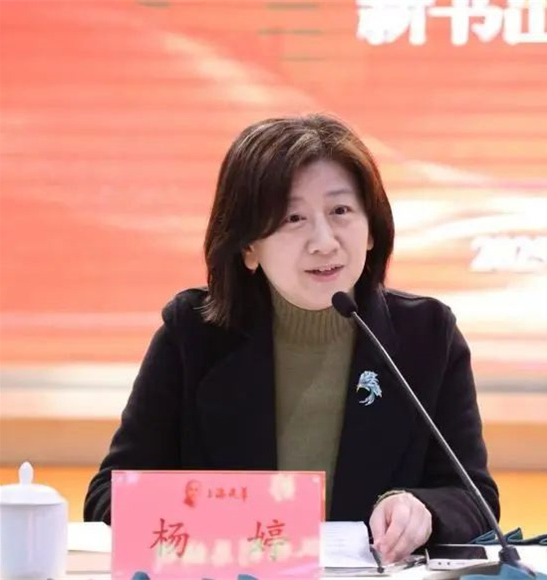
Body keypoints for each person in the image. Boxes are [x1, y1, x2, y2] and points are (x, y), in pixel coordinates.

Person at [84, 113, 499, 563]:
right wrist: (237, 522)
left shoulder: (428, 336)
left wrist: (423, 510)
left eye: (340, 211)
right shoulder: (193, 334)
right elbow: (108, 498)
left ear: (372, 228)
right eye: (293, 218)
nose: (324, 242)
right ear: (248, 246)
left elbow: (474, 498)